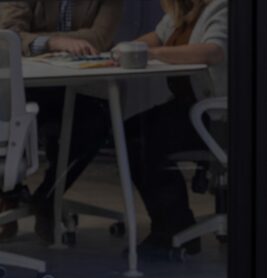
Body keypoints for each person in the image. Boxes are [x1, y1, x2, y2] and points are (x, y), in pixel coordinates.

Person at [0, 0, 123, 241]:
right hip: (28, 86)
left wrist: (33, 40)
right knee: (11, 117)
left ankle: (47, 199)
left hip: (84, 86)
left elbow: (98, 38)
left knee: (96, 121)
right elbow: (7, 35)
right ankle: (8, 197)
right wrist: (56, 42)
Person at [122, 0, 227, 257]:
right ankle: (173, 224)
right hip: (192, 109)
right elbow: (158, 36)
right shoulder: (183, 11)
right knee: (132, 131)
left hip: (220, 116)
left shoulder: (222, 7)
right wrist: (128, 48)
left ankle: (173, 228)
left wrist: (155, 54)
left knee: (143, 138)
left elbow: (213, 51)